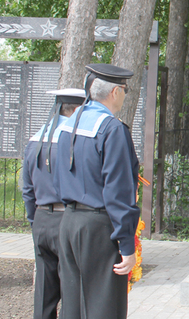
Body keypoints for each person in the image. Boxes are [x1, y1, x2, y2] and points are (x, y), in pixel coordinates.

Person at [54, 63, 140, 319]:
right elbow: (119, 190)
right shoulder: (112, 129)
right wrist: (126, 244)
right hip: (99, 228)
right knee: (104, 307)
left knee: (74, 306)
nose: (125, 94)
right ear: (115, 92)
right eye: (125, 89)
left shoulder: (69, 125)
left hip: (69, 222)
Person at [22, 88, 86, 319]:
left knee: (44, 291)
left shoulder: (35, 140)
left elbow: (27, 188)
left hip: (41, 219)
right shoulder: (74, 141)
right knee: (71, 289)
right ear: (78, 109)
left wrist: (35, 220)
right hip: (67, 219)